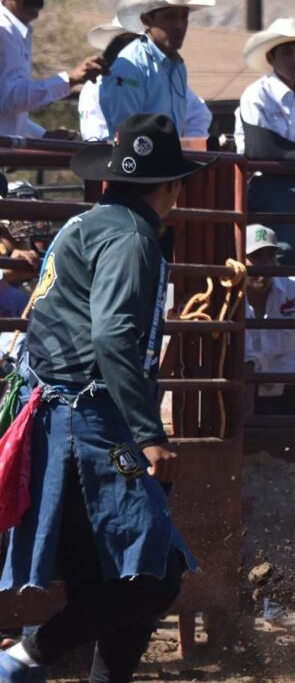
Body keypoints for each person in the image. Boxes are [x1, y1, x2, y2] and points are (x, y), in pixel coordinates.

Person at [0, 113, 209, 683]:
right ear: (169, 187)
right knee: (153, 574)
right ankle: (24, 657)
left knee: (115, 578)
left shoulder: (82, 225)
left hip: (56, 418)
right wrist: (148, 432)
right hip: (90, 427)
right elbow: (113, 332)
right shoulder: (130, 236)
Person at [234, 18, 295, 266]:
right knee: (286, 250)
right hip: (267, 182)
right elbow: (261, 151)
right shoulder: (257, 94)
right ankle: (288, 279)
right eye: (287, 53)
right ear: (271, 58)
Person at [0, 0, 105, 138]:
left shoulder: (16, 32)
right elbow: (11, 98)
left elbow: (8, 111)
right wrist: (70, 79)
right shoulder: (3, 32)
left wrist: (42, 136)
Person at [99, 0, 215, 135]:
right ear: (146, 20)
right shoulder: (130, 66)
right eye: (170, 17)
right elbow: (127, 135)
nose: (180, 25)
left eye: (184, 17)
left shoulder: (178, 68)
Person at [78, 18, 211, 143]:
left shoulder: (164, 79)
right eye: (124, 40)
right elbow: (94, 137)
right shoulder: (94, 86)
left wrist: (188, 149)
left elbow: (198, 113)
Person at [243, 225, 295, 416]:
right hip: (242, 396)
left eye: (270, 255)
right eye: (256, 256)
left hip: (291, 396)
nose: (265, 264)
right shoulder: (227, 298)